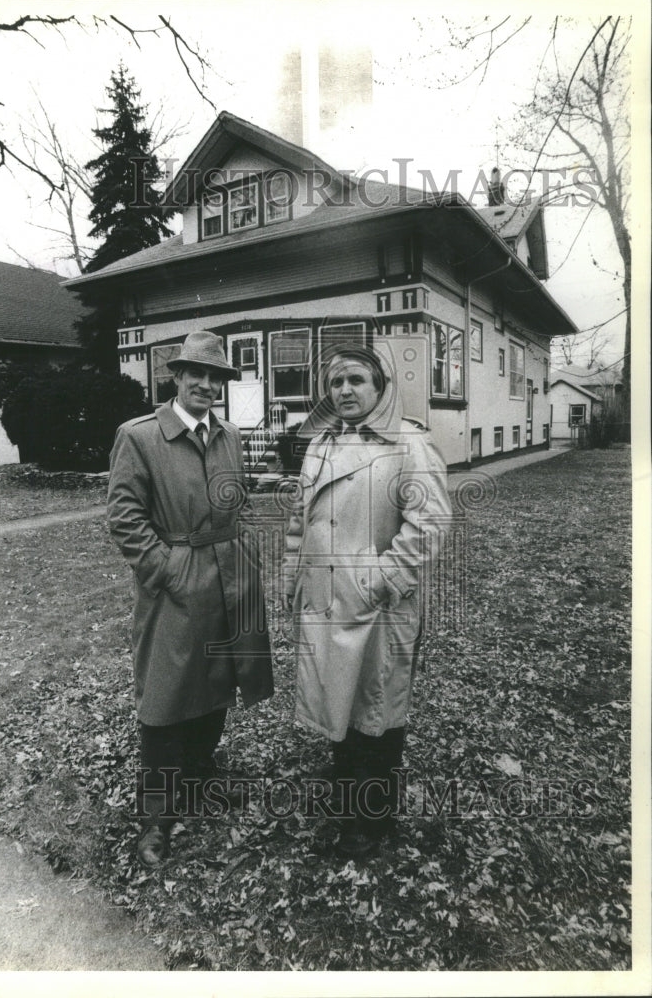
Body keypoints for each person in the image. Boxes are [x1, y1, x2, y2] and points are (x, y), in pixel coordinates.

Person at [107, 330, 273, 867]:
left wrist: (244, 554)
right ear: (175, 377)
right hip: (176, 582)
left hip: (229, 573)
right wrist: (168, 570)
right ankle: (156, 817)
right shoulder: (140, 436)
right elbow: (125, 518)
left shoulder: (228, 434)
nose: (205, 384)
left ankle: (200, 777)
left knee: (218, 678)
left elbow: (238, 500)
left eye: (215, 376)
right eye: (195, 374)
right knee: (164, 693)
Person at [283, 343, 451, 861]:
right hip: (323, 598)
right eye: (335, 383)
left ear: (380, 387)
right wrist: (294, 579)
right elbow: (300, 520)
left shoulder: (407, 444)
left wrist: (377, 581)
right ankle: (345, 789)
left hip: (376, 606)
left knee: (376, 707)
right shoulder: (320, 444)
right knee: (339, 696)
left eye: (356, 380)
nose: (345, 391)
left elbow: (430, 524)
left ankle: (371, 818)